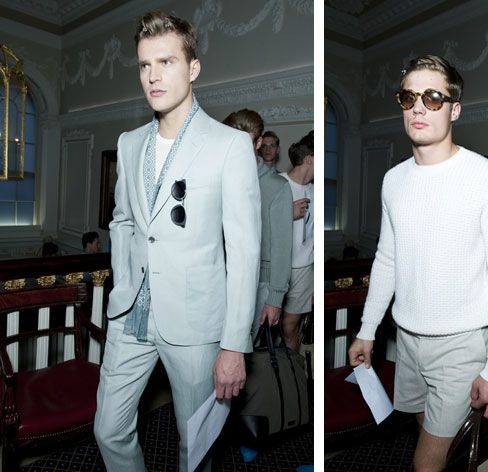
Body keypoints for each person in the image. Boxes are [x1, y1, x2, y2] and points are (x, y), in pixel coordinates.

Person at [93, 11, 261, 472]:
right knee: (107, 428)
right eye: (145, 65)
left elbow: (245, 255)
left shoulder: (229, 146)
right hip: (131, 313)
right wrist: (126, 280)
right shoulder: (129, 143)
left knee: (197, 448)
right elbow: (123, 220)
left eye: (166, 62)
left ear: (193, 67)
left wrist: (234, 345)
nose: (153, 76)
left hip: (197, 322)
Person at [348, 55, 488, 471]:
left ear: (454, 108)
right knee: (442, 447)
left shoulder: (486, 178)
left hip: (462, 344)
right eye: (409, 97)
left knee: (425, 464)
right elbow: (387, 259)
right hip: (405, 340)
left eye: (433, 97)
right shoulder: (394, 179)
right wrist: (368, 330)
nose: (419, 107)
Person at [222, 109, 293, 337]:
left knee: (240, 350)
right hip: (218, 277)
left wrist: (275, 298)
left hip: (258, 282)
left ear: (258, 142)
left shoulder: (277, 186)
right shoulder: (219, 177)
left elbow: (282, 246)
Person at [281, 131, 314, 351]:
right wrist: (286, 214)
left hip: (305, 269)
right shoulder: (278, 184)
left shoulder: (314, 190)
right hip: (277, 267)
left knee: (289, 326)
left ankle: (293, 380)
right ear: (309, 160)